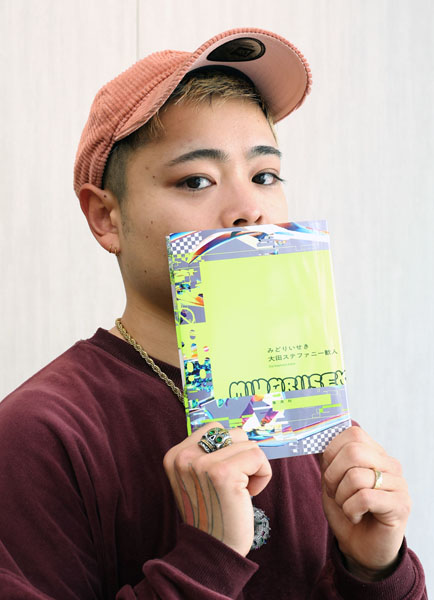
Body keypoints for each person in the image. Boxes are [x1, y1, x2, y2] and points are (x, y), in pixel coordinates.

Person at [0, 27, 427, 599]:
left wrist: (374, 570)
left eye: (264, 176)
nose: (249, 209)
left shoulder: (302, 403)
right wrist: (207, 558)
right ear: (106, 218)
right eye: (196, 180)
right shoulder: (37, 434)